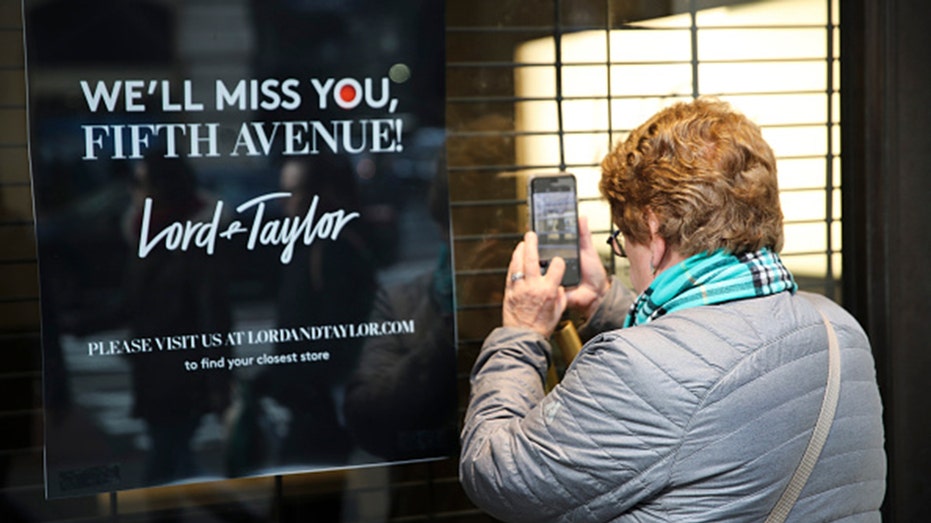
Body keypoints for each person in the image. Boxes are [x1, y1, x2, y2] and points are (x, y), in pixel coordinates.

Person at [459, 98, 886, 522]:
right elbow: (714, 360)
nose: (625, 256)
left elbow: (499, 474)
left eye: (623, 242)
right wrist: (606, 300)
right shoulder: (838, 328)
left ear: (653, 231)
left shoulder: (634, 367)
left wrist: (521, 332)